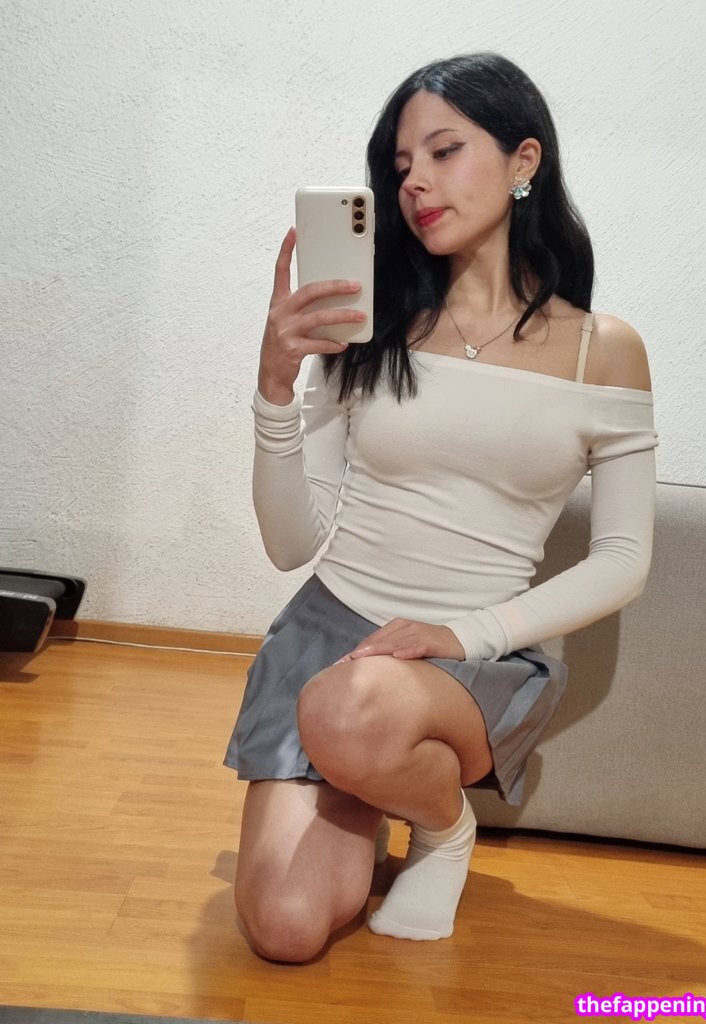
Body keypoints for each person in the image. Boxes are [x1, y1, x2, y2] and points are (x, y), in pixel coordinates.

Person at [225, 52, 657, 963]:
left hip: (471, 657)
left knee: (352, 708)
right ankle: (370, 778)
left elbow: (622, 560)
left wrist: (460, 635)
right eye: (399, 165)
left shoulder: (603, 351)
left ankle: (440, 827)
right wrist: (274, 385)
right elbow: (291, 544)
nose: (414, 181)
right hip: (332, 636)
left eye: (443, 150)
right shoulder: (370, 330)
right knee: (284, 927)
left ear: (523, 159)